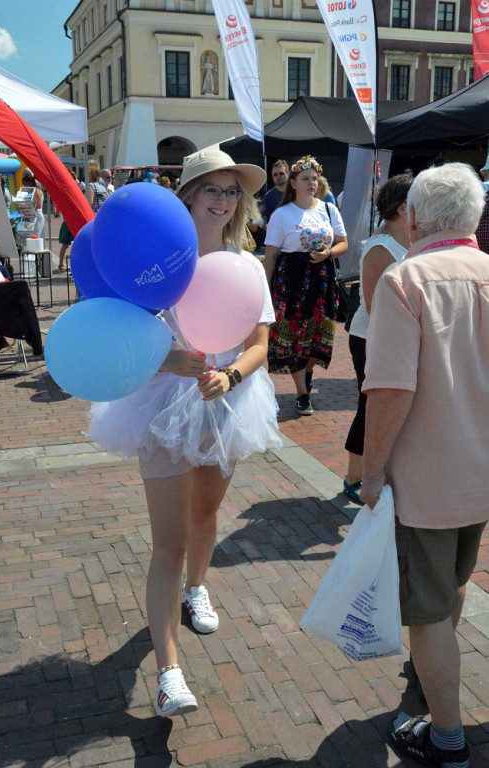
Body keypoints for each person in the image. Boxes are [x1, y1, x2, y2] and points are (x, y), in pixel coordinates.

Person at [88, 148, 282, 718]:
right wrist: (166, 361)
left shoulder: (246, 266)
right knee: (167, 541)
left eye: (231, 192)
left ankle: (198, 587)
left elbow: (260, 344)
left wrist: (230, 374)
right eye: (211, 190)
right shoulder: (151, 262)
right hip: (161, 406)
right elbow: (120, 340)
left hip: (226, 402)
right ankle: (168, 673)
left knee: (205, 514)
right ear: (189, 196)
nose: (223, 201)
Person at [360, 162, 489, 768]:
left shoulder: (406, 280)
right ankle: (434, 683)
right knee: (452, 587)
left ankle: (446, 737)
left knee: (429, 608)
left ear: (413, 217)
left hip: (429, 479)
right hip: (480, 472)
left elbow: (390, 389)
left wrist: (372, 468)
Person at [343, 174, 412, 503]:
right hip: (370, 338)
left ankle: (379, 472)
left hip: (393, 338)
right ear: (402, 207)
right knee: (370, 405)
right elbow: (373, 305)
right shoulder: (380, 248)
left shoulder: (407, 240)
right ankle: (353, 476)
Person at [264, 155, 348, 415]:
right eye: (305, 179)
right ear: (293, 183)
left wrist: (328, 254)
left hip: (321, 280)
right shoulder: (281, 215)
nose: (312, 183)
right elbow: (270, 257)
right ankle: (302, 392)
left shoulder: (328, 209)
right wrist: (265, 293)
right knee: (294, 336)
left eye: (314, 178)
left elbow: (344, 243)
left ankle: (307, 371)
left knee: (318, 336)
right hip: (291, 281)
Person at [21, 170, 45, 237]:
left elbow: (39, 205)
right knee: (30, 235)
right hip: (30, 215)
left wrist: (31, 210)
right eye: (24, 183)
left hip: (36, 214)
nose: (26, 185)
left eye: (27, 183)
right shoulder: (28, 191)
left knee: (36, 234)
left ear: (31, 182)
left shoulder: (36, 190)